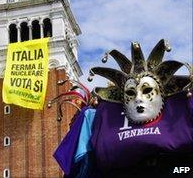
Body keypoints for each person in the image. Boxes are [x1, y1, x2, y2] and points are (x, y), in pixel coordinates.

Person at [51, 40, 193, 178]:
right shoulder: (97, 116)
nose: (138, 98)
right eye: (131, 93)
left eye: (147, 90)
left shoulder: (184, 104)